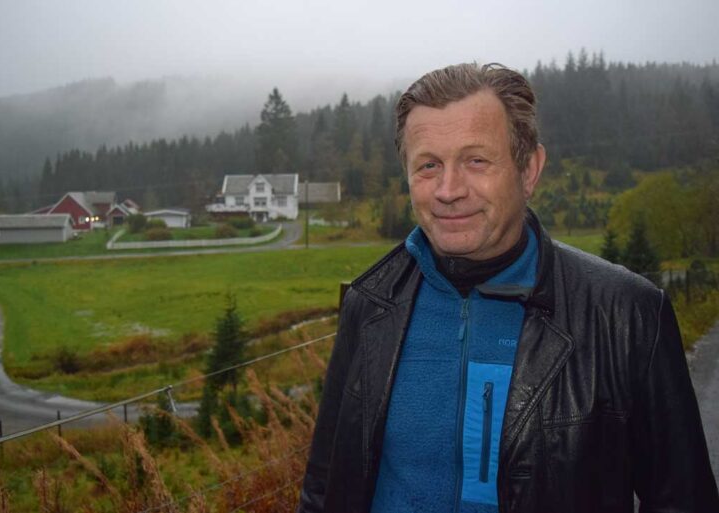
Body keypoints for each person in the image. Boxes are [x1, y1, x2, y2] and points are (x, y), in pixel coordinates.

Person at [297, 63, 719, 513]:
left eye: (476, 161)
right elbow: (323, 488)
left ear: (529, 169)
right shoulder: (370, 304)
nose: (448, 190)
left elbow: (683, 501)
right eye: (428, 165)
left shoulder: (626, 314)